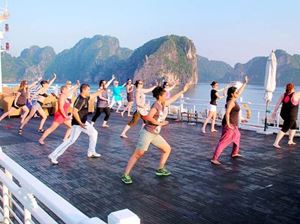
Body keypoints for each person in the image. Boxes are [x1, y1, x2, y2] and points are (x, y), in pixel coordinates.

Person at [121, 82, 191, 184]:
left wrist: (183, 91)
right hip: (147, 133)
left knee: (167, 149)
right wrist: (160, 123)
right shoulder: (156, 105)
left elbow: (173, 99)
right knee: (138, 154)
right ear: (160, 96)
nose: (166, 96)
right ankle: (125, 175)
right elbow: (149, 117)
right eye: (164, 95)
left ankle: (160, 169)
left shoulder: (163, 104)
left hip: (154, 134)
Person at [48, 84, 102, 165]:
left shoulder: (86, 97)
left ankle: (91, 152)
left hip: (83, 122)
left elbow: (94, 95)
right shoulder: (80, 99)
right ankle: (53, 155)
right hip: (78, 124)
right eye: (88, 90)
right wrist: (80, 123)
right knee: (71, 141)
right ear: (83, 90)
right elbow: (74, 111)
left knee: (94, 133)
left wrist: (102, 89)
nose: (89, 91)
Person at [211, 76, 248, 165]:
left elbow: (240, 91)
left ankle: (234, 153)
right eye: (236, 92)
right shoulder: (231, 102)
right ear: (232, 94)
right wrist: (228, 124)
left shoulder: (233, 99)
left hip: (233, 124)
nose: (237, 93)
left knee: (237, 136)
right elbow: (227, 113)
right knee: (224, 141)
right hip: (229, 124)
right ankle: (214, 158)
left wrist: (245, 83)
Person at [272, 83, 300, 148]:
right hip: (291, 116)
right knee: (285, 128)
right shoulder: (295, 95)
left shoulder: (283, 95)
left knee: (293, 126)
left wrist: (274, 112)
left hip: (284, 114)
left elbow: (278, 104)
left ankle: (290, 140)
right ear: (293, 88)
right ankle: (275, 143)